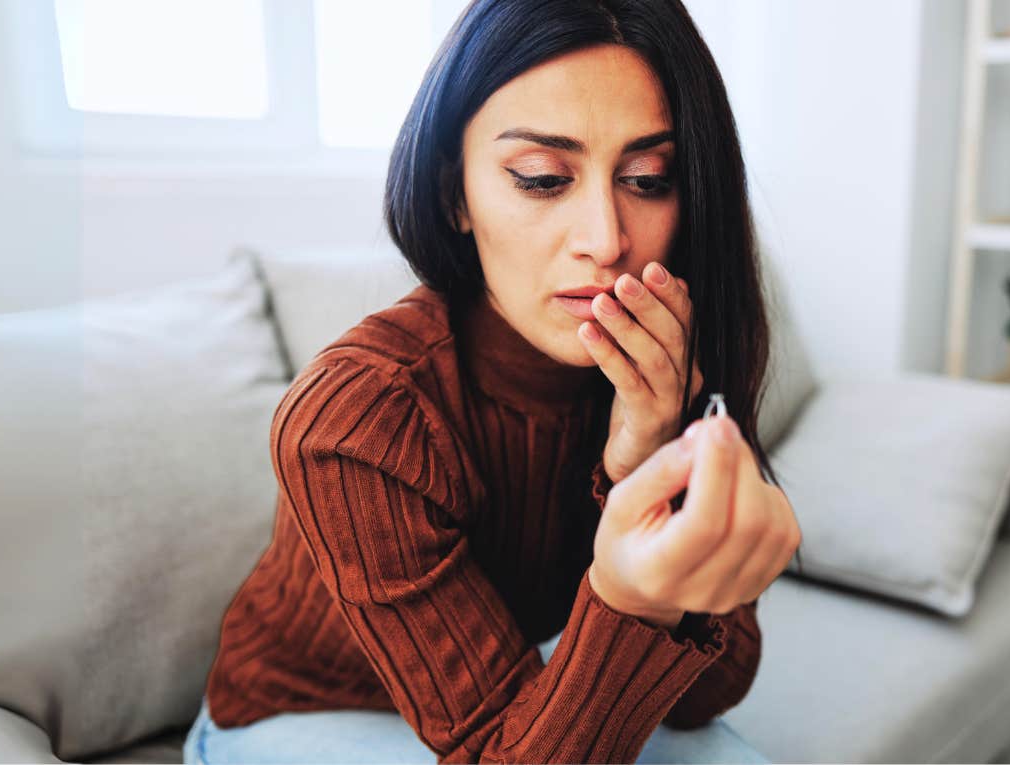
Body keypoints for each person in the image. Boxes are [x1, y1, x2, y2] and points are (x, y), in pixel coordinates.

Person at [184, 0, 800, 762]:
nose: (606, 240)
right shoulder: (356, 418)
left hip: (511, 691)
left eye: (648, 178)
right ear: (455, 194)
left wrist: (649, 456)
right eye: (542, 179)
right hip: (299, 712)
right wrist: (628, 595)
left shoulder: (670, 358)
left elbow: (711, 691)